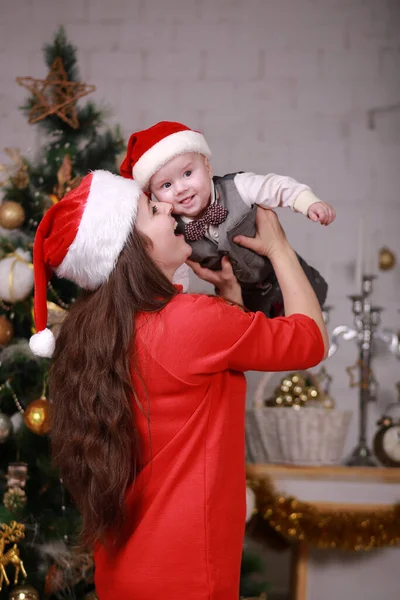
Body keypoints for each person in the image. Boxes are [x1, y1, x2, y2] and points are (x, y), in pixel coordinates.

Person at [29, 169, 328, 600]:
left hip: (125, 572)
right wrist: (279, 248)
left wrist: (230, 304)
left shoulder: (97, 334)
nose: (168, 205)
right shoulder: (189, 321)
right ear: (132, 249)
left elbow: (183, 405)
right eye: (153, 208)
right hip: (189, 575)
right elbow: (310, 340)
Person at [120, 120, 336, 316]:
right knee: (268, 348)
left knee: (307, 328)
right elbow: (176, 275)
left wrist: (308, 202)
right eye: (166, 185)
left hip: (284, 276)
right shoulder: (172, 232)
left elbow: (275, 187)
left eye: (187, 174)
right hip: (245, 301)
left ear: (207, 166)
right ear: (155, 196)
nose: (181, 189)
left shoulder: (238, 187)